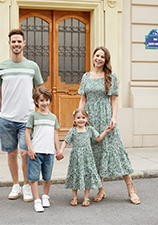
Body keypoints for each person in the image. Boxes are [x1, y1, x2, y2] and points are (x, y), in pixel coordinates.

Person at [78, 46, 140, 205]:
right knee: (96, 154)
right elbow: (83, 99)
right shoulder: (86, 76)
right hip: (90, 119)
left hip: (106, 119)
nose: (99, 59)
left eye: (102, 57)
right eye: (97, 55)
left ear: (106, 60)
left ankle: (131, 188)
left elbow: (114, 98)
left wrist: (114, 117)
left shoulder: (110, 76)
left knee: (117, 151)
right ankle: (101, 189)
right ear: (93, 57)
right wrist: (79, 116)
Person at [0, 28, 43, 201]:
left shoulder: (32, 66)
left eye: (19, 41)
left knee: (25, 153)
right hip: (6, 119)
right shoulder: (1, 67)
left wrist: (39, 113)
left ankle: (27, 185)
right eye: (13, 41)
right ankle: (15, 185)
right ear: (9, 43)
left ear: (24, 43)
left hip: (26, 119)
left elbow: (40, 91)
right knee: (11, 153)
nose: (16, 44)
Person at [56, 108, 112, 207]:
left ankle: (86, 197)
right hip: (76, 157)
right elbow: (65, 141)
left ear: (87, 118)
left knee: (87, 175)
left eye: (83, 117)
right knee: (75, 174)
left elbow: (98, 138)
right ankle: (75, 197)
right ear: (74, 119)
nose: (81, 120)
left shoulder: (89, 129)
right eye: (78, 118)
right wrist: (61, 151)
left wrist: (105, 131)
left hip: (87, 158)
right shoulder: (73, 130)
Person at [25, 86, 60, 212]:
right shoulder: (33, 116)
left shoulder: (53, 117)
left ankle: (45, 196)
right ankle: (37, 200)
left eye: (47, 100)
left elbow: (55, 134)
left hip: (49, 152)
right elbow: (27, 133)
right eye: (41, 101)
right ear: (36, 102)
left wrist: (58, 150)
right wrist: (30, 149)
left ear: (50, 100)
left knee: (47, 177)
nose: (45, 103)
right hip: (36, 152)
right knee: (34, 178)